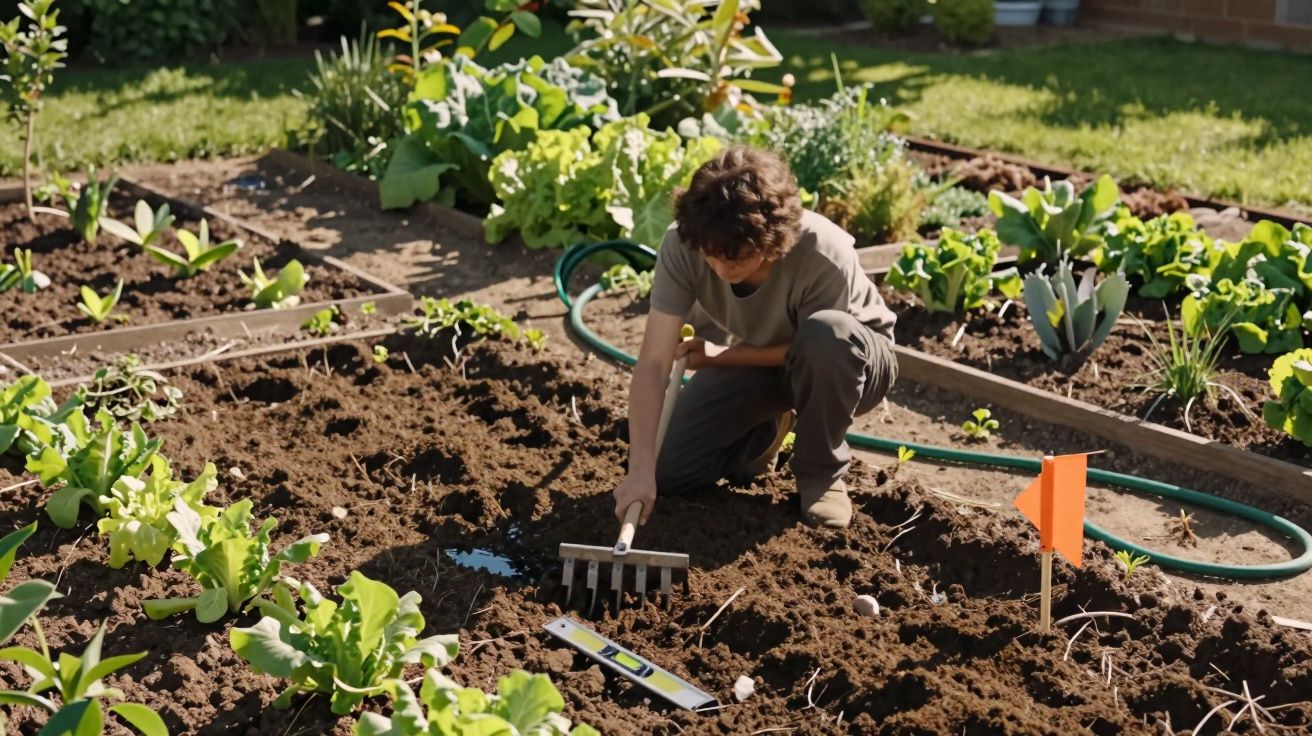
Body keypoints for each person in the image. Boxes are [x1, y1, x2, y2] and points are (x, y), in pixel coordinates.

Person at [612, 145, 899, 530]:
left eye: (737, 258)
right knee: (669, 472)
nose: (720, 267)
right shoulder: (684, 244)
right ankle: (767, 432)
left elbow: (820, 347)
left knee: (827, 334)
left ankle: (820, 474)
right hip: (763, 356)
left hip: (851, 362)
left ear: (772, 239)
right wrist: (640, 470)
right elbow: (653, 363)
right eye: (711, 256)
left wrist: (721, 357)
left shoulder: (821, 252)